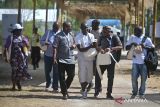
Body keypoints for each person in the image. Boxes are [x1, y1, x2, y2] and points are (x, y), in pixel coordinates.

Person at [125, 26, 154, 99]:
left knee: (143, 79)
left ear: (141, 32)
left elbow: (153, 48)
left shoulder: (147, 39)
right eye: (134, 31)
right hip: (135, 62)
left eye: (136, 31)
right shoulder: (132, 38)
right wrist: (132, 44)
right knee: (134, 78)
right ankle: (134, 91)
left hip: (144, 62)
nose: (135, 33)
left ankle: (141, 93)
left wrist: (145, 46)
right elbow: (126, 47)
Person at [94, 26, 122, 99]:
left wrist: (111, 49)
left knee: (110, 77)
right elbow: (97, 46)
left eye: (106, 32)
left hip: (111, 60)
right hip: (102, 59)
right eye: (103, 32)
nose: (104, 33)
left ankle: (109, 93)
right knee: (98, 75)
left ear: (110, 31)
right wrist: (100, 49)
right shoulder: (101, 36)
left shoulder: (115, 37)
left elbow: (120, 46)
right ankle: (97, 91)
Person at [4, 23, 32, 91]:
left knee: (20, 71)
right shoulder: (10, 38)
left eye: (20, 30)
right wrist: (5, 57)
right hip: (13, 58)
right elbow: (6, 48)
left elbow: (28, 46)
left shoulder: (22, 37)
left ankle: (18, 83)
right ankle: (14, 85)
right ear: (15, 31)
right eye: (19, 30)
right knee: (14, 71)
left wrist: (25, 45)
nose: (20, 31)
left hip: (21, 58)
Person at [53, 22, 76, 100]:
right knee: (61, 77)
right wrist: (54, 58)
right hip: (61, 59)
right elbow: (55, 47)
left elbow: (75, 43)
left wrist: (74, 45)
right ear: (65, 27)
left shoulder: (72, 35)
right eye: (69, 27)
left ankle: (64, 89)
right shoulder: (58, 36)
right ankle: (64, 93)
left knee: (71, 75)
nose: (71, 28)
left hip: (71, 59)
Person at [75, 23, 96, 99]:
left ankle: (87, 86)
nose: (85, 29)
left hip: (90, 59)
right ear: (81, 28)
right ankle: (84, 91)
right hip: (82, 59)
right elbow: (80, 49)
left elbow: (94, 46)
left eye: (86, 28)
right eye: (84, 28)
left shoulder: (91, 36)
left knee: (90, 76)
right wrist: (90, 46)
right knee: (82, 75)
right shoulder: (78, 37)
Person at [40, 22, 59, 92]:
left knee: (56, 72)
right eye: (55, 27)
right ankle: (48, 84)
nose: (56, 29)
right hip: (48, 55)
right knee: (47, 71)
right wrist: (45, 42)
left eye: (57, 28)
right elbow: (41, 41)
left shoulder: (59, 34)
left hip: (56, 56)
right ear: (53, 27)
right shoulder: (48, 33)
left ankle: (55, 86)